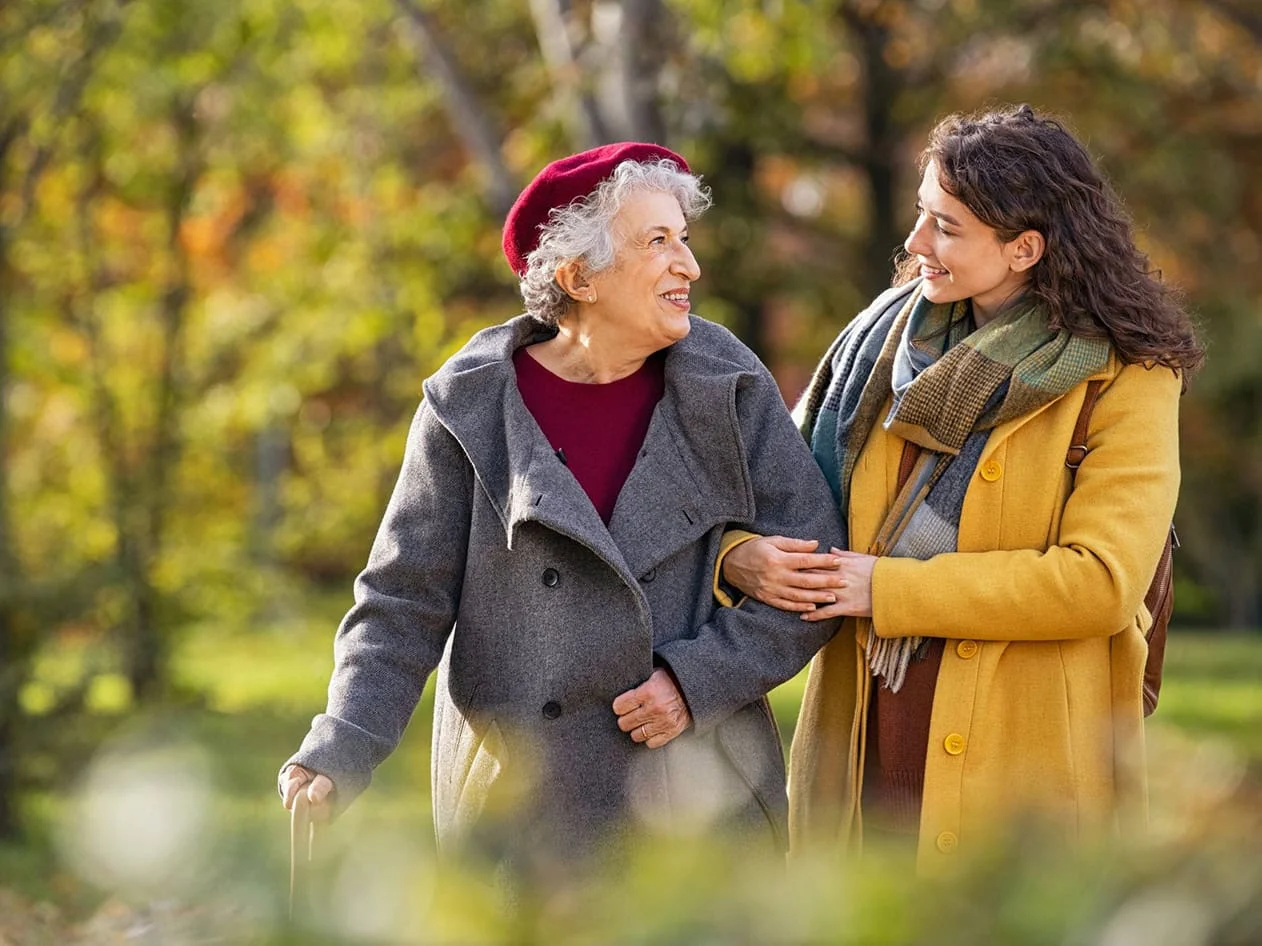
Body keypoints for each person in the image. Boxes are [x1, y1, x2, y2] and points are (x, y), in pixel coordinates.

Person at [278, 142, 846, 883]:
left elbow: (817, 572)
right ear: (577, 276)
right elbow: (401, 602)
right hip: (522, 807)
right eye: (657, 242)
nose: (689, 266)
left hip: (700, 801)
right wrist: (341, 743)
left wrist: (697, 680)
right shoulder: (470, 407)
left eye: (684, 238)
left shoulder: (728, 384)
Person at [718, 105, 1203, 871]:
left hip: (1025, 765)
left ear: (1024, 248)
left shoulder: (1129, 379)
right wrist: (741, 556)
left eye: (946, 227)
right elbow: (765, 496)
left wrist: (891, 589)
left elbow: (1102, 582)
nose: (915, 246)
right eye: (920, 216)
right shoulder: (876, 352)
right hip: (864, 740)